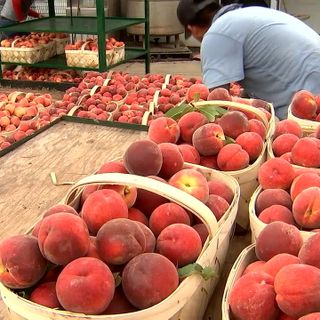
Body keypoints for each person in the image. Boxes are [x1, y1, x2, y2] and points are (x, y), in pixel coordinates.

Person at [177, 0, 320, 119]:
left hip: (309, 97)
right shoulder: (248, 15)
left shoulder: (216, 34)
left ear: (192, 28)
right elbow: (262, 67)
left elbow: (217, 104)